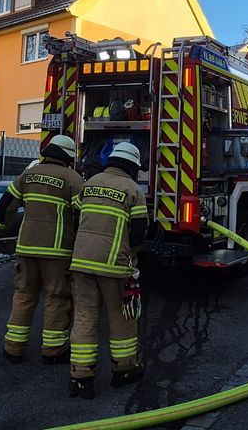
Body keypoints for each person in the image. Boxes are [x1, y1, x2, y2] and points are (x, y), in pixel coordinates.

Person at [68, 142, 148, 399]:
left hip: (81, 263)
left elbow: (76, 213)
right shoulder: (133, 190)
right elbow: (138, 234)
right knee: (122, 318)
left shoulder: (89, 183)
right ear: (134, 166)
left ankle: (81, 377)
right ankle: (124, 370)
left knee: (84, 318)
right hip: (114, 266)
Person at [0, 134, 84, 365]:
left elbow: (5, 204)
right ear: (68, 157)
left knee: (24, 294)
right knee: (57, 296)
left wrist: (0, 227)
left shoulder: (28, 175)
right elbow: (83, 213)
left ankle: (13, 347)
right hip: (56, 251)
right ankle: (53, 351)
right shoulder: (72, 178)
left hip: (26, 247)